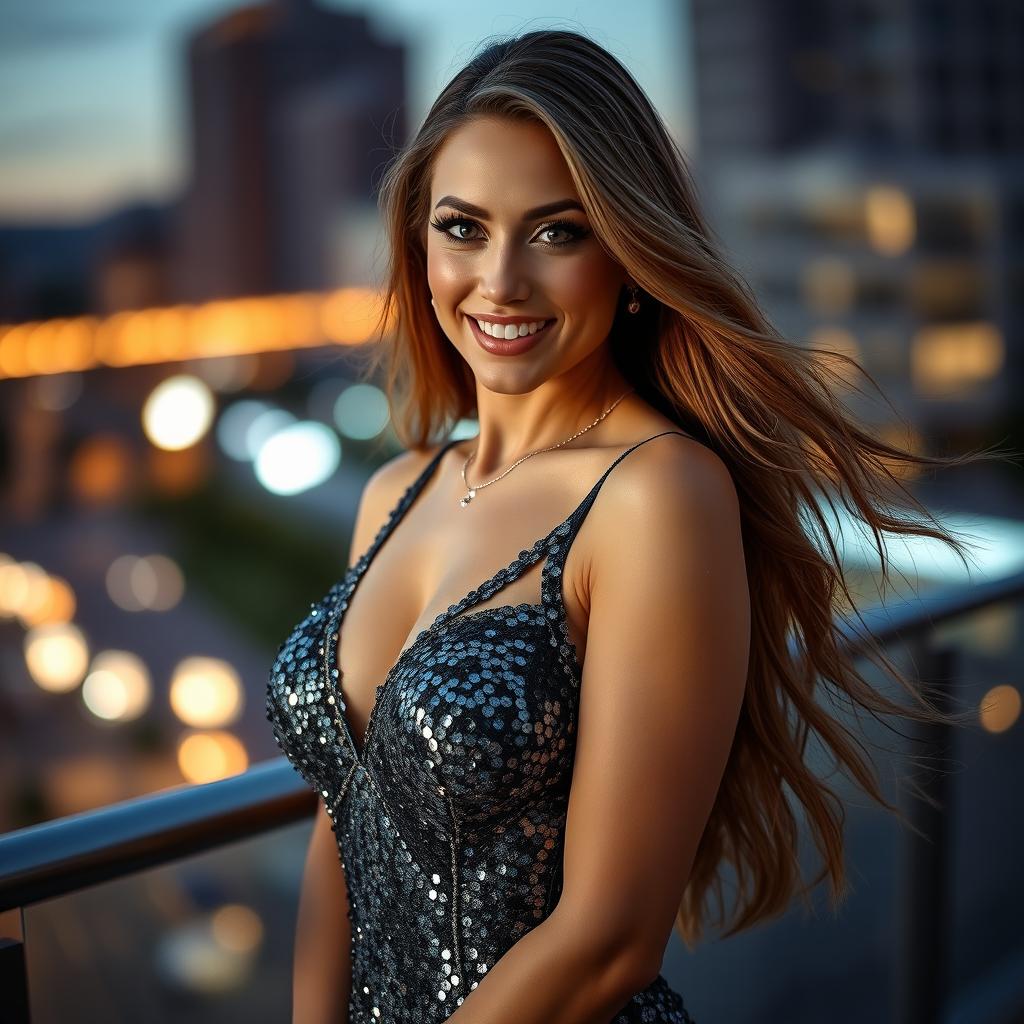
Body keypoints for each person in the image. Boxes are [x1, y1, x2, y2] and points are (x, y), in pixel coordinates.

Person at [266, 28, 996, 1024]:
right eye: (463, 228)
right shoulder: (395, 487)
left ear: (631, 253)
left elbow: (609, 936)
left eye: (558, 231)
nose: (501, 280)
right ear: (416, 243)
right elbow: (341, 818)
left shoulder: (656, 494)